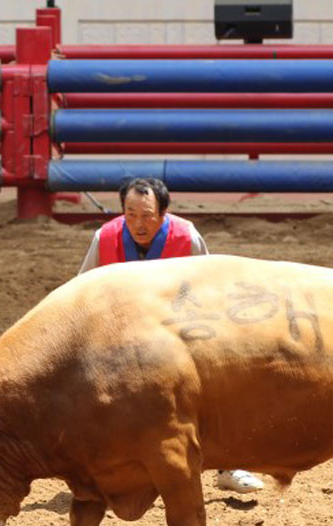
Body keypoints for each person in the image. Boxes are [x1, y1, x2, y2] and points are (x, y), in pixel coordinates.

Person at [78, 177, 265, 495]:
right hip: (122, 339)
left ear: (163, 214)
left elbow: (210, 292)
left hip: (180, 335)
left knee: (217, 387)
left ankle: (229, 466)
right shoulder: (105, 237)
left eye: (147, 215)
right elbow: (81, 292)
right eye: (130, 214)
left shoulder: (187, 238)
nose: (138, 223)